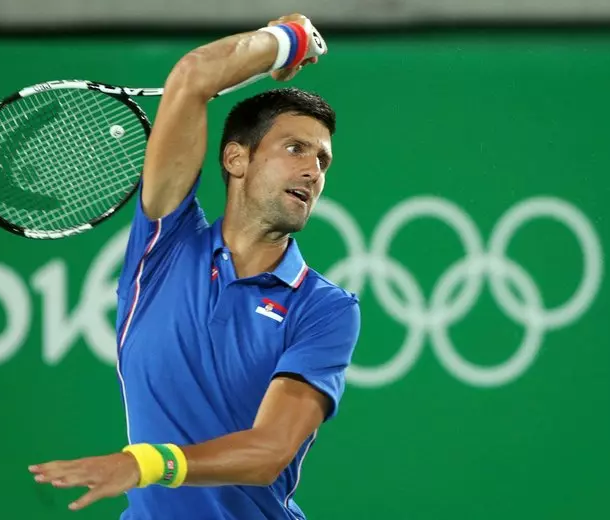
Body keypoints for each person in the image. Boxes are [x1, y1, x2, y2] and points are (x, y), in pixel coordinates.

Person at [29, 13, 361, 520]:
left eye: (323, 161)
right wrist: (286, 40)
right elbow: (192, 77)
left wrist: (145, 464)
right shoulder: (163, 250)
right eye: (295, 149)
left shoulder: (324, 308)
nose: (312, 171)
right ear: (236, 159)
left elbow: (269, 452)